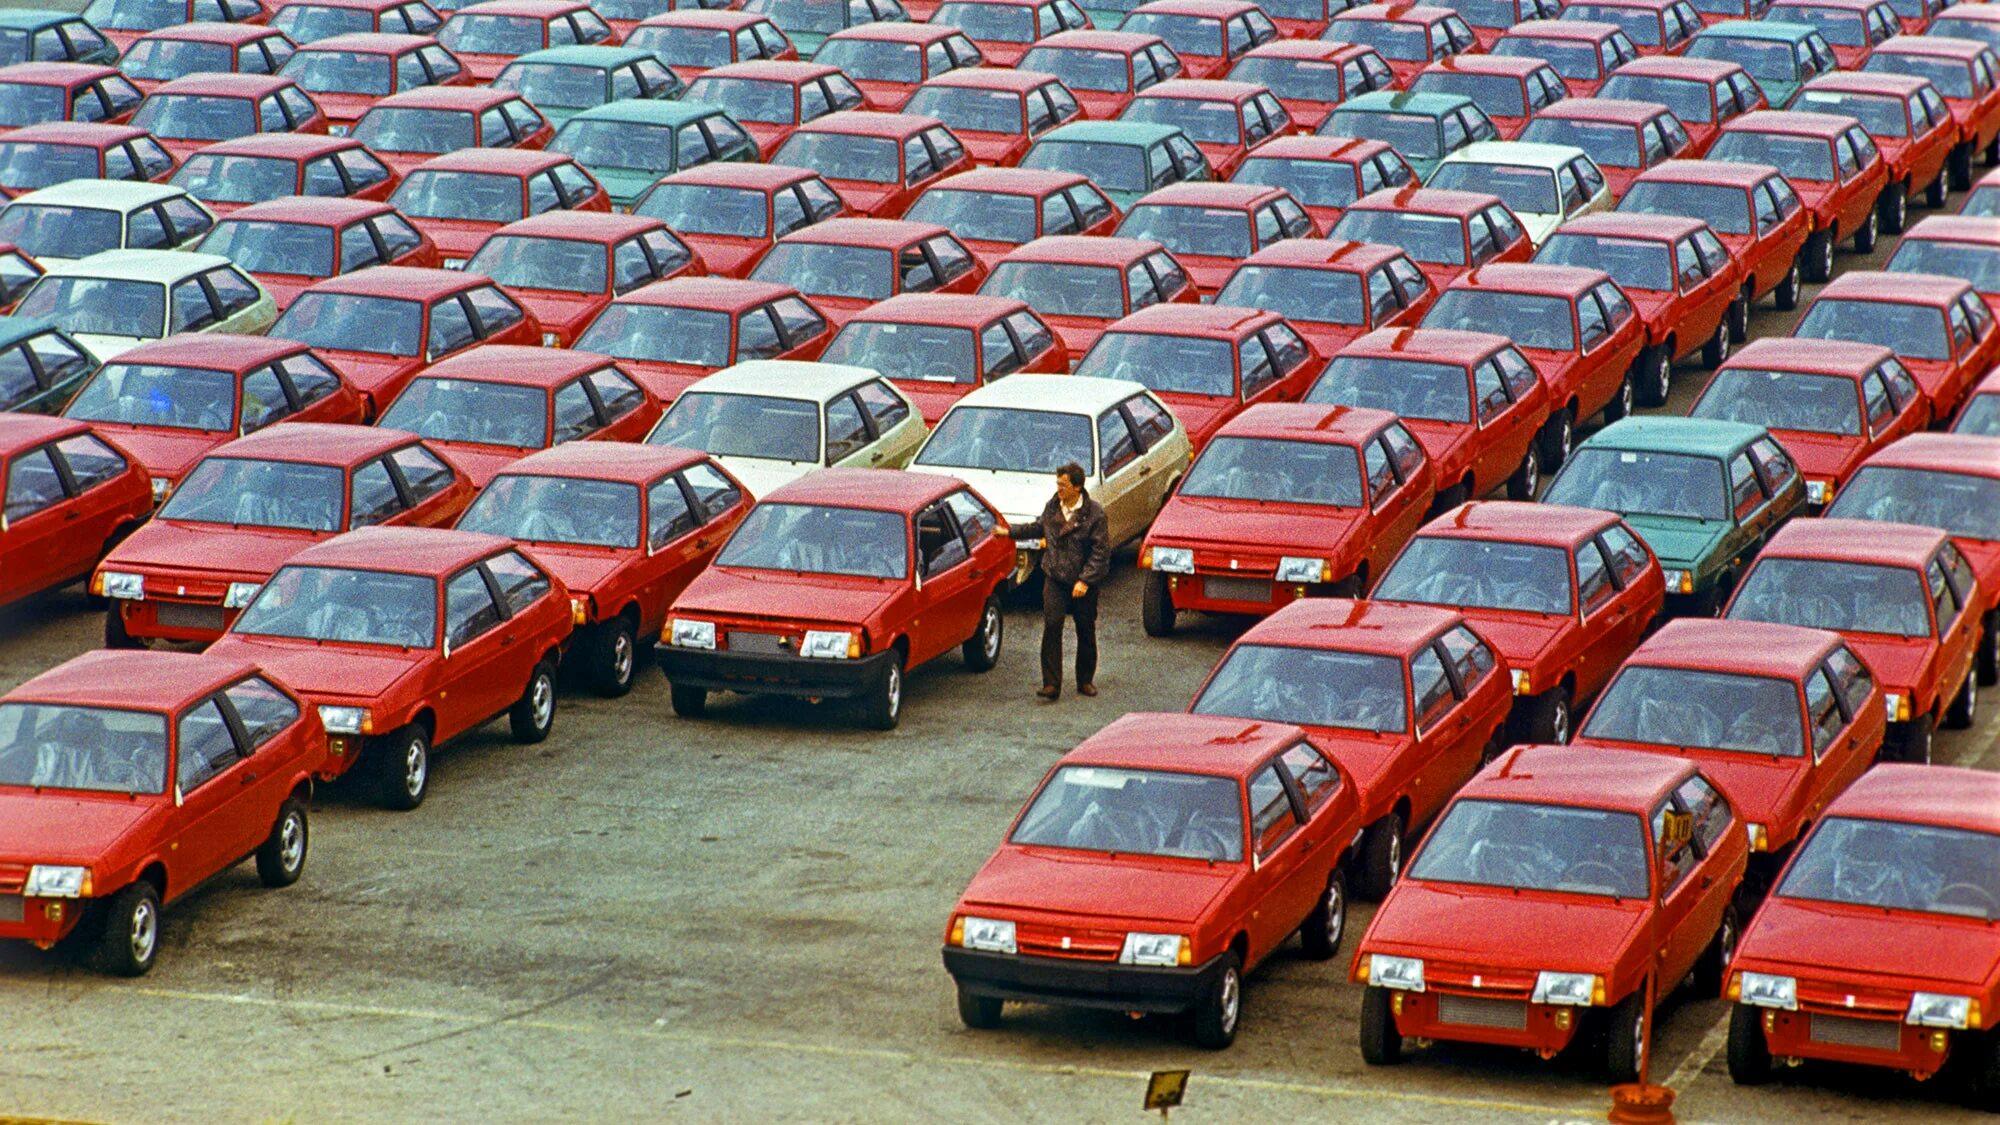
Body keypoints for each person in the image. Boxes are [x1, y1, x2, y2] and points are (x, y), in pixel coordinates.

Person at [1010, 461, 1109, 700]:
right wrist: (1009, 532)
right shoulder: (1053, 506)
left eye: (1063, 485)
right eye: (1058, 484)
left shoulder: (1094, 514)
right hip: (1055, 577)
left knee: (1085, 628)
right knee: (1052, 625)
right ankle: (1051, 684)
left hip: (1082, 583)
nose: (1059, 489)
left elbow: (1100, 552)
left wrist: (1085, 580)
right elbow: (1038, 527)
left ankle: (1085, 680)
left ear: (1077, 487)